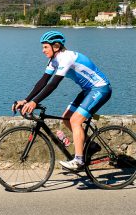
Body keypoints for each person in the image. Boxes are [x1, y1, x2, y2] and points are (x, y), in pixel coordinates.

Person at [14, 30, 112, 171]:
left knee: (75, 120)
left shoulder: (66, 58)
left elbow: (53, 84)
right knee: (66, 118)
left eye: (45, 47)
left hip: (100, 89)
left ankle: (78, 161)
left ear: (56, 46)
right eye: (43, 47)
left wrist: (34, 102)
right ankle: (90, 145)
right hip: (88, 91)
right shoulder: (54, 60)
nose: (43, 50)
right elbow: (43, 81)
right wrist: (26, 99)